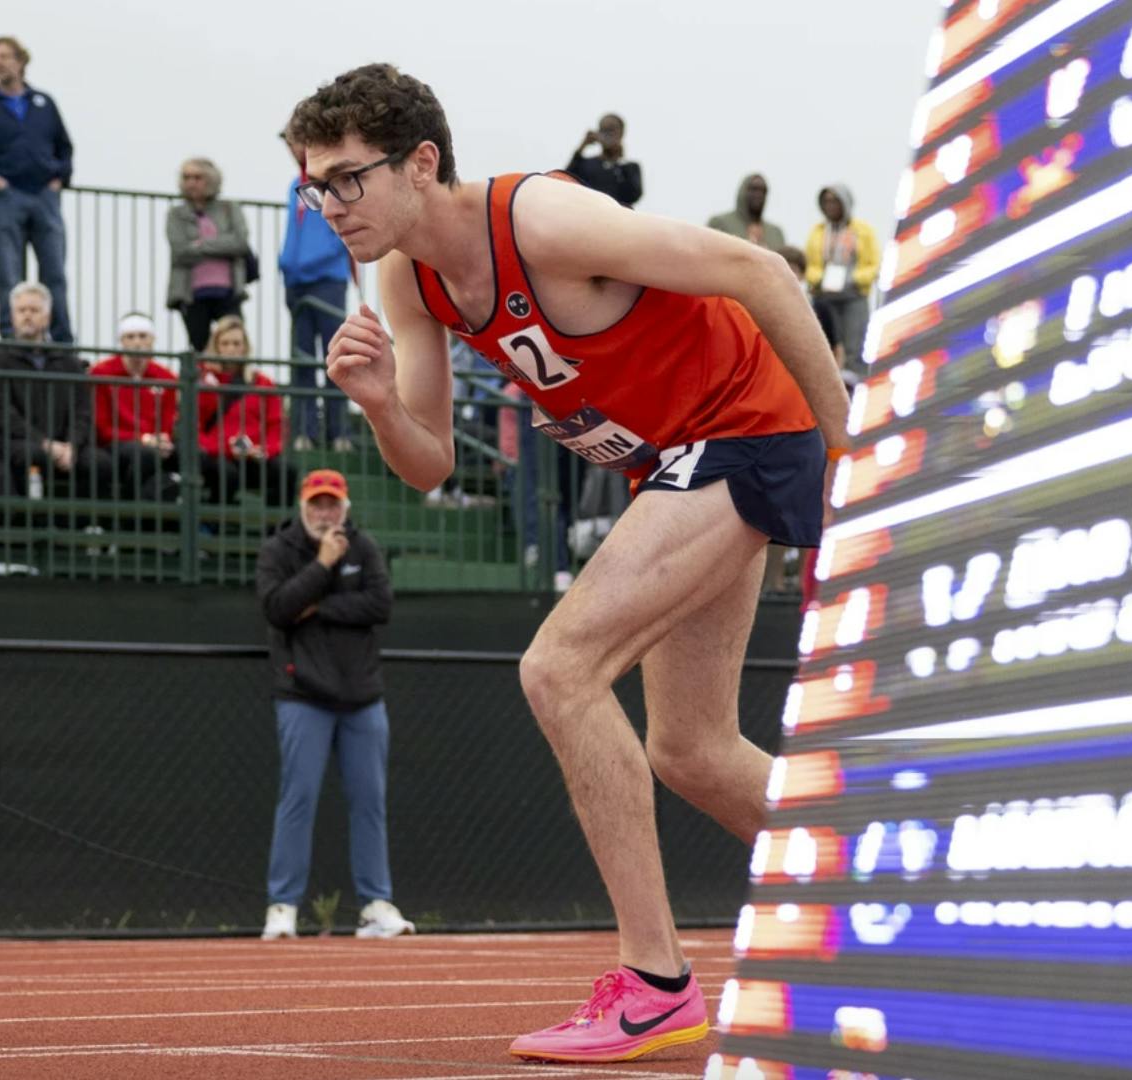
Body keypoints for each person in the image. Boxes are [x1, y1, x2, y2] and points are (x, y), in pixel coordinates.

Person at [290, 63, 849, 1062]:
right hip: (673, 469)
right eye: (312, 183)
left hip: (744, 434)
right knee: (691, 749)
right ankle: (881, 892)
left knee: (559, 669)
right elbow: (430, 465)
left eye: (345, 178)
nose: (328, 204)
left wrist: (855, 463)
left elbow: (761, 273)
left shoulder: (538, 220)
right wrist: (377, 401)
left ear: (421, 165)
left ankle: (656, 981)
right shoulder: (407, 279)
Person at [255, 468, 415, 942]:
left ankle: (375, 903)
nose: (325, 514)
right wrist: (323, 565)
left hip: (363, 697)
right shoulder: (278, 551)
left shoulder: (364, 547)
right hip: (303, 696)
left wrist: (320, 609)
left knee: (369, 802)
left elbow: (380, 604)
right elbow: (277, 608)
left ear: (345, 507)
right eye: (316, 504)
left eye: (332, 505)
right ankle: (282, 906)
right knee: (297, 800)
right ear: (303, 506)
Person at [0, 35, 74, 343]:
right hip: (6, 199)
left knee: (55, 273)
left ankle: (63, 342)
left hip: (45, 198)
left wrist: (59, 179)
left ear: (21, 61)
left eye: (5, 56)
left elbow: (65, 148)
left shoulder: (44, 104)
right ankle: (11, 339)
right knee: (9, 274)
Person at [0, 282, 108, 499]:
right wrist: (44, 443)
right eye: (22, 310)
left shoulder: (68, 361)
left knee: (99, 463)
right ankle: (34, 526)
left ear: (47, 317)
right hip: (15, 443)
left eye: (34, 310)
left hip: (64, 444)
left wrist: (71, 446)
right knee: (31, 454)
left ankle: (83, 525)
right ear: (12, 316)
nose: (28, 316)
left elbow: (82, 412)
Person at [280, 131, 356, 452]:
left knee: (334, 358)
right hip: (297, 282)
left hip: (326, 280)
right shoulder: (293, 185)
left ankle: (339, 433)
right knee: (302, 360)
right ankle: (304, 432)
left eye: (295, 140)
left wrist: (304, 262)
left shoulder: (333, 184)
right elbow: (292, 233)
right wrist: (285, 262)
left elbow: (339, 235)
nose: (292, 148)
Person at [197, 315, 295, 506]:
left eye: (236, 343)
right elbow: (195, 426)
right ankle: (213, 524)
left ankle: (275, 529)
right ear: (216, 346)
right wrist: (225, 449)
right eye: (225, 343)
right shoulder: (202, 380)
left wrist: (263, 450)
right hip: (215, 455)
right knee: (227, 473)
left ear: (245, 347)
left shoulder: (262, 383)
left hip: (252, 455)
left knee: (287, 471)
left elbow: (276, 425)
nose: (231, 349)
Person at [88, 312, 179, 501]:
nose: (137, 342)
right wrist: (144, 439)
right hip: (114, 444)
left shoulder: (166, 377)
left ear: (152, 340)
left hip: (154, 445)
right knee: (144, 455)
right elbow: (102, 428)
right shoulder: (101, 373)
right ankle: (130, 513)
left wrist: (162, 439)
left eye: (143, 336)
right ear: (121, 341)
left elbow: (168, 422)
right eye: (130, 337)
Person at [167, 157, 251, 353]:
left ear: (211, 180)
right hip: (192, 294)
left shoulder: (230, 208)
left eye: (197, 177)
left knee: (233, 343)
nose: (191, 183)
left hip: (227, 291)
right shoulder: (176, 214)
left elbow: (239, 243)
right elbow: (180, 251)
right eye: (186, 177)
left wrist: (200, 244)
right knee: (199, 348)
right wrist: (221, 245)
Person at [805, 183, 879, 373]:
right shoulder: (818, 232)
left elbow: (874, 265)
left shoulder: (863, 231)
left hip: (853, 298)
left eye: (835, 201)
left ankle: (854, 390)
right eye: (826, 201)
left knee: (855, 350)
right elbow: (809, 265)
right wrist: (819, 279)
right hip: (825, 299)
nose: (830, 206)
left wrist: (853, 278)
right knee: (825, 349)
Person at [564, 113, 642, 209]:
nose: (607, 134)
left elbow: (633, 195)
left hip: (617, 218)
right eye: (603, 130)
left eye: (611, 130)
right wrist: (582, 147)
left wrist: (618, 161)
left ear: (621, 133)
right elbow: (566, 180)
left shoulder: (630, 167)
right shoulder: (587, 164)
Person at [706, 174, 785, 251]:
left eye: (763, 191)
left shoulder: (776, 233)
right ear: (743, 191)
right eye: (754, 189)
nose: (759, 194)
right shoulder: (720, 223)